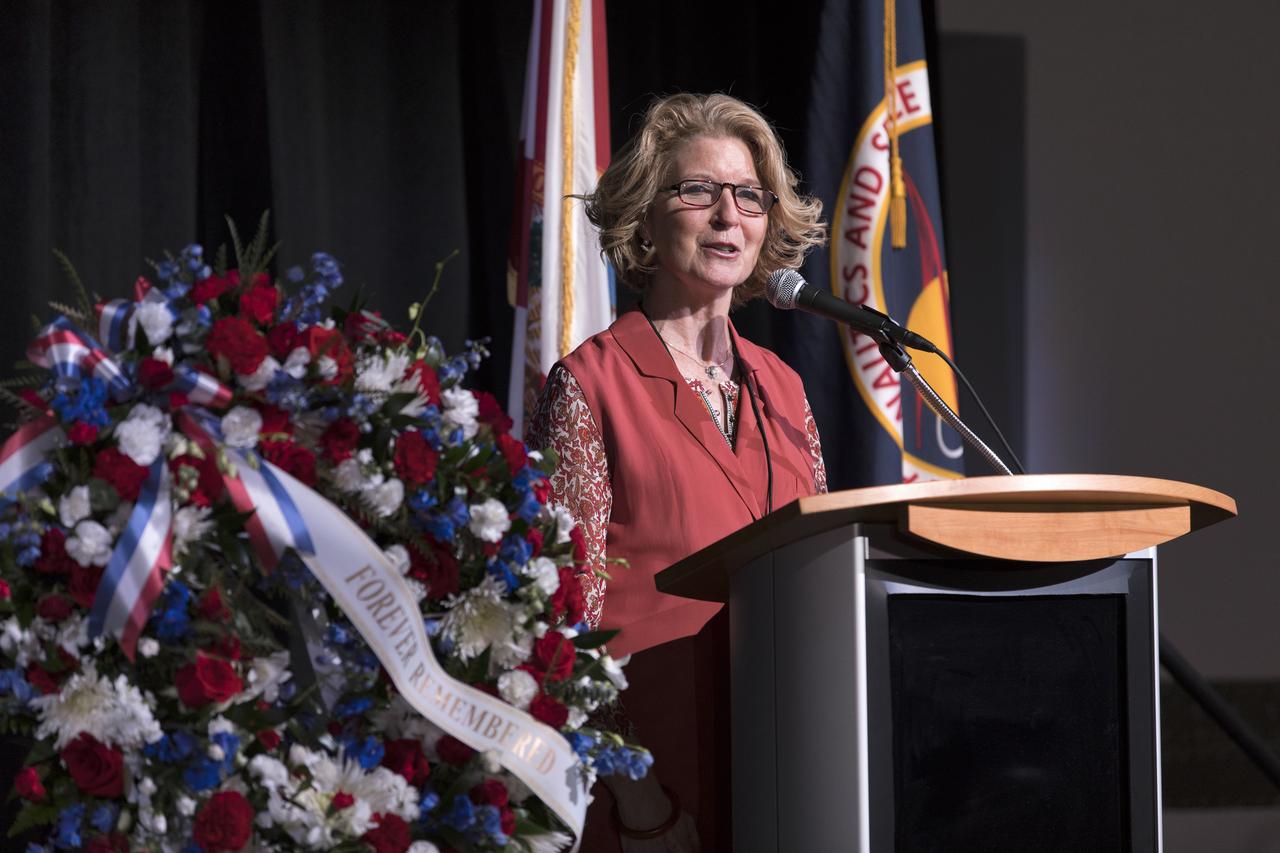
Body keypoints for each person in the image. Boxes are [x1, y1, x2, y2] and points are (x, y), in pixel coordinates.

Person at [526, 92, 828, 851]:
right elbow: (560, 625)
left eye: (749, 195)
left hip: (791, 776)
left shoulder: (786, 390)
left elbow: (824, 589)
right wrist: (642, 804)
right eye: (699, 191)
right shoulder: (590, 384)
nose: (729, 215)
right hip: (654, 799)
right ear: (647, 219)